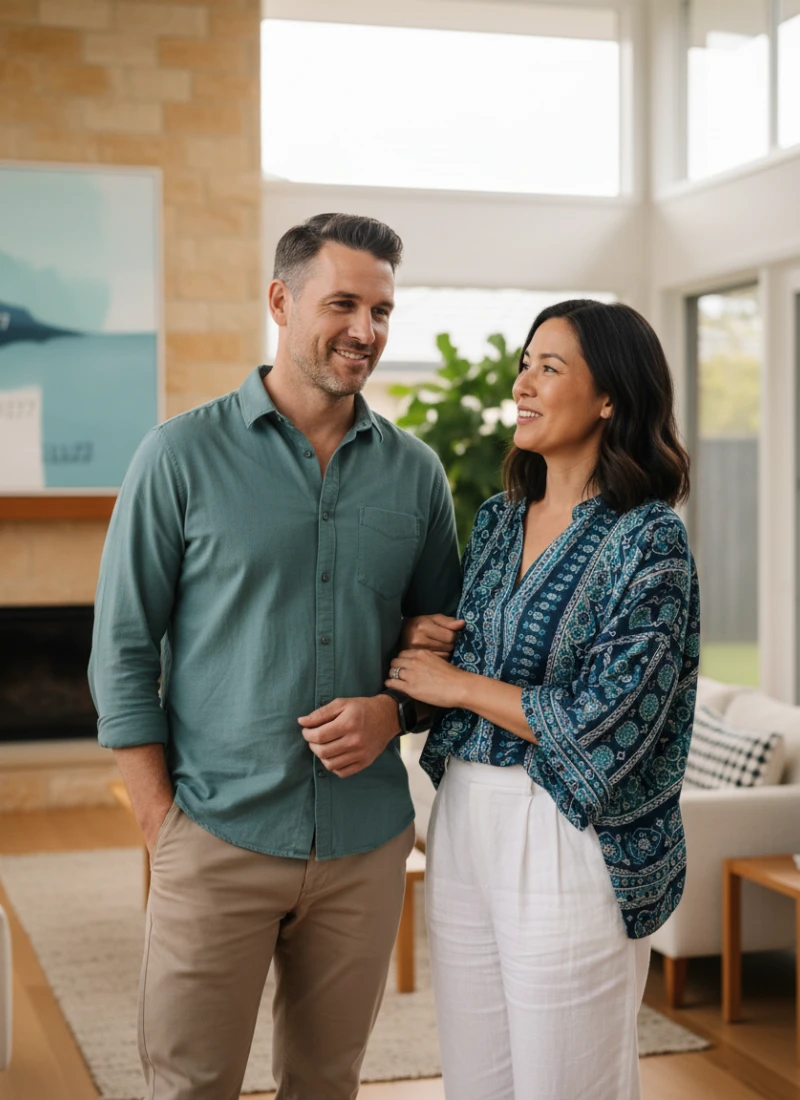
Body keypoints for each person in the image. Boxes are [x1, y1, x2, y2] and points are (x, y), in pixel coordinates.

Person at [88, 212, 462, 1100]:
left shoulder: (417, 474)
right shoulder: (177, 456)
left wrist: (394, 713)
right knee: (190, 1084)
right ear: (281, 302)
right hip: (215, 834)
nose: (365, 331)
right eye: (343, 304)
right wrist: (164, 829)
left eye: (381, 311)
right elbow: (122, 652)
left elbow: (444, 645)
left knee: (328, 1084)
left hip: (365, 845)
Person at [388, 300, 700, 1100]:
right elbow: (465, 654)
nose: (523, 384)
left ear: (610, 397)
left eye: (549, 368)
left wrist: (458, 684)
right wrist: (426, 639)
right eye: (524, 364)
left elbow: (610, 716)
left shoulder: (649, 538)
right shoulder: (498, 520)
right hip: (464, 821)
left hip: (567, 829)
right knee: (475, 1082)